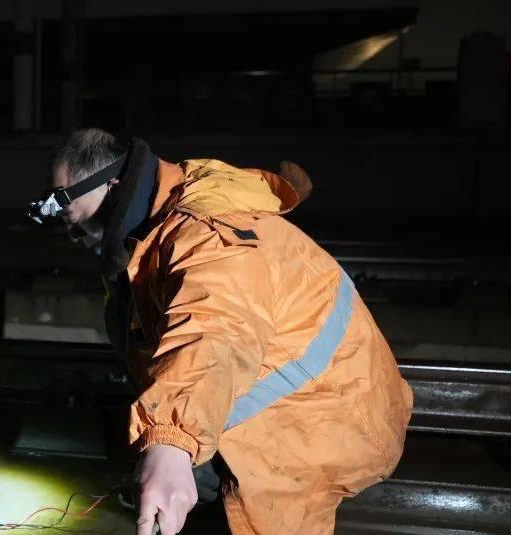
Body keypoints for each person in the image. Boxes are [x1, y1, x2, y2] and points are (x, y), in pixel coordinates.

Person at [42, 129, 412, 535]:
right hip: (290, 408)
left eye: (66, 208)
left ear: (111, 184)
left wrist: (171, 439)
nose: (69, 227)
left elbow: (215, 330)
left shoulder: (207, 231)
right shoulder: (159, 219)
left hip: (323, 424)